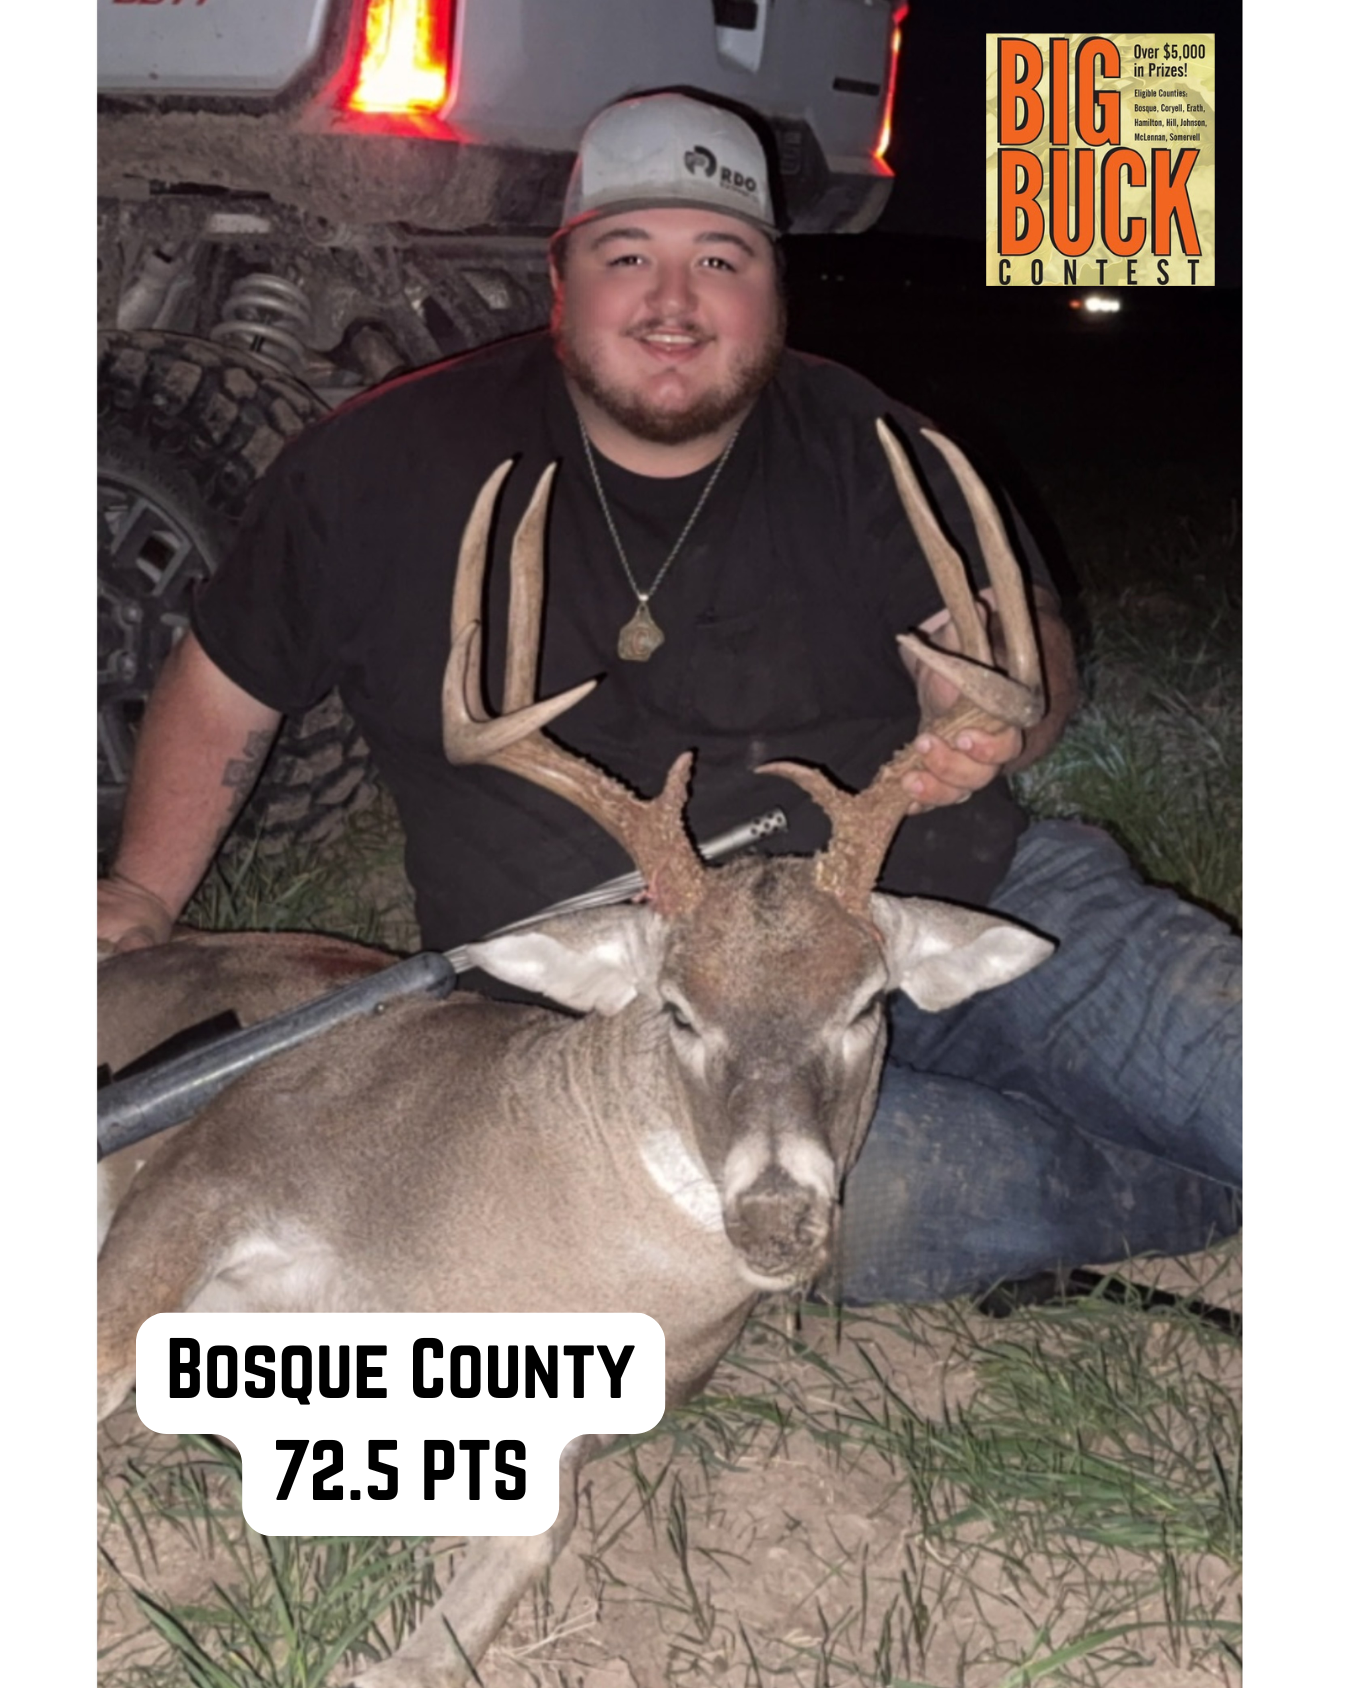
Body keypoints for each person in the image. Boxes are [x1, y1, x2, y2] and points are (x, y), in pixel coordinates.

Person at [97, 92, 1240, 1301]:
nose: (674, 301)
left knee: (1236, 1059)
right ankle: (1198, 1190)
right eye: (628, 255)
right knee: (854, 1212)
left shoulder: (867, 442)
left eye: (721, 259)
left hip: (943, 901)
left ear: (776, 290)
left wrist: (999, 701)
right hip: (643, 1010)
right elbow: (224, 683)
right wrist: (141, 892)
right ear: (560, 279)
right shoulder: (380, 467)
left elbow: (1021, 650)